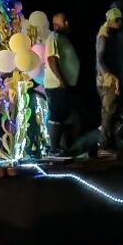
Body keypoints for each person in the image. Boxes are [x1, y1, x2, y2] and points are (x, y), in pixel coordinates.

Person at [44, 12, 80, 154]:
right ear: (63, 23)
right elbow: (51, 59)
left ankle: (62, 147)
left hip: (64, 84)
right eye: (66, 22)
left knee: (65, 116)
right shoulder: (54, 37)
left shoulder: (62, 38)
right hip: (56, 85)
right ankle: (53, 149)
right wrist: (61, 80)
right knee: (56, 115)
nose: (68, 24)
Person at [95, 7, 123, 153]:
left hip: (114, 78)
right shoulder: (104, 34)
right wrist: (110, 75)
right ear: (113, 20)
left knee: (115, 112)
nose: (121, 23)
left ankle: (113, 143)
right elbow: (101, 58)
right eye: (119, 20)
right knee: (109, 112)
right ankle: (104, 146)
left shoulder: (113, 33)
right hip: (108, 81)